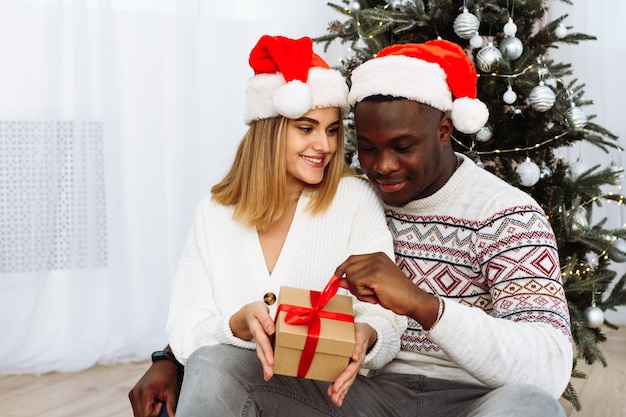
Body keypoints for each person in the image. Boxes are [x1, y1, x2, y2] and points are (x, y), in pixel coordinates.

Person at [130, 39, 574, 417]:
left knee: (530, 406)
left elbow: (548, 368)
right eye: (366, 148)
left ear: (444, 130)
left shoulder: (507, 215)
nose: (383, 166)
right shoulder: (351, 195)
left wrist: (425, 307)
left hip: (475, 400)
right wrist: (170, 358)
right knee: (220, 367)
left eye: (403, 147)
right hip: (361, 395)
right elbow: (263, 285)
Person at [129, 34, 404, 417]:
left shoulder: (354, 199)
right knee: (210, 367)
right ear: (269, 129)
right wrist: (235, 327)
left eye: (331, 130)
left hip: (326, 396)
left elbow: (386, 315)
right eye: (306, 128)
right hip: (229, 387)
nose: (324, 146)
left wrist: (368, 335)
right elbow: (187, 327)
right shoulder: (214, 212)